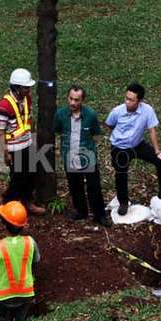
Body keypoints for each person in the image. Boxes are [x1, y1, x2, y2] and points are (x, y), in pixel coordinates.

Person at [105, 82, 161, 216]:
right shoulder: (117, 111)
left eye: (131, 100)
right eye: (126, 98)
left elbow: (152, 130)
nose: (127, 102)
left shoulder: (147, 110)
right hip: (120, 148)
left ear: (139, 101)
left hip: (138, 145)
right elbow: (109, 125)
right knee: (121, 173)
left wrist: (157, 151)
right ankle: (123, 202)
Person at [54, 85, 110, 227]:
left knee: (94, 187)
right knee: (75, 186)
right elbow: (57, 130)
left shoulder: (90, 115)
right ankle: (81, 211)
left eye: (76, 100)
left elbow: (96, 134)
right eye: (71, 99)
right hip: (70, 155)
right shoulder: (60, 114)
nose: (73, 103)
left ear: (82, 100)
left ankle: (99, 215)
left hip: (87, 156)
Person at [0, 68, 45, 215]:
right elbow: (0, 131)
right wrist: (5, 152)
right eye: (25, 87)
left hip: (27, 143)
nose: (28, 90)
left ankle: (27, 202)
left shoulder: (26, 99)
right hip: (13, 147)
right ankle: (7, 205)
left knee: (31, 174)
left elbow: (30, 119)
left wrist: (34, 139)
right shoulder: (4, 106)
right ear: (16, 88)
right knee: (18, 178)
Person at [0, 201, 40, 321]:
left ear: (3, 223)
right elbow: (35, 263)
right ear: (23, 225)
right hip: (25, 295)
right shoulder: (30, 242)